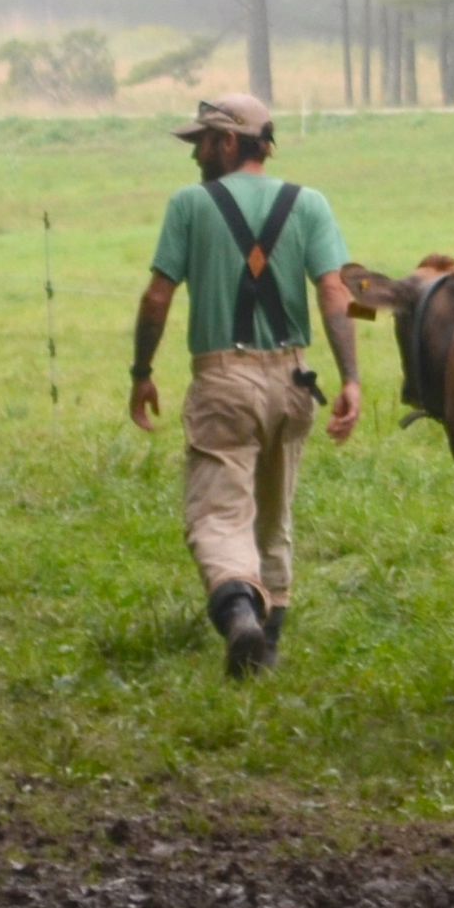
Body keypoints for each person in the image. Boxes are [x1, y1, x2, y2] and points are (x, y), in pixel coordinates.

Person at [128, 92, 362, 676]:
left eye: (203, 141)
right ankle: (267, 648)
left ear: (230, 142)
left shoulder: (189, 205)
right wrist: (352, 378)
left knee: (215, 517)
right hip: (293, 378)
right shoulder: (309, 204)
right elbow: (336, 292)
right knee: (275, 516)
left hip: (222, 379)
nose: (196, 155)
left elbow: (158, 295)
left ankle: (238, 615)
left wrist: (141, 372)